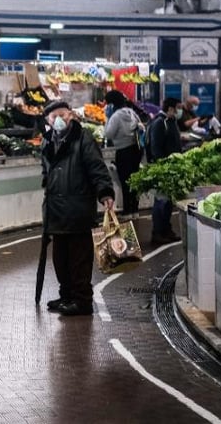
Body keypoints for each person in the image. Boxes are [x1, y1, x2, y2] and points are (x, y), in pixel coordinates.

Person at [39, 101, 115, 316]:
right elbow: (46, 174)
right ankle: (66, 296)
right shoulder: (46, 143)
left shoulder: (83, 139)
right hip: (56, 212)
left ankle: (82, 301)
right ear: (48, 121)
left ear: (71, 115)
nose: (59, 120)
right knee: (60, 260)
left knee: (79, 261)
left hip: (78, 210)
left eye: (62, 114)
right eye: (54, 117)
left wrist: (105, 193)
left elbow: (97, 169)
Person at [146, 98, 183, 243]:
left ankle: (167, 230)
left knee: (168, 202)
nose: (179, 111)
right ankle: (158, 233)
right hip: (162, 169)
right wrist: (163, 166)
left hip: (171, 168)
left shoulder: (170, 121)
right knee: (161, 201)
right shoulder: (159, 123)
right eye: (177, 108)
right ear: (170, 108)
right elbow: (156, 148)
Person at [103, 90, 142, 216]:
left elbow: (108, 134)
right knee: (134, 181)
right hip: (135, 149)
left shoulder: (115, 116)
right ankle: (135, 210)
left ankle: (127, 212)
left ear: (111, 104)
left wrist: (107, 118)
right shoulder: (131, 112)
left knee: (125, 182)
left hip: (123, 151)